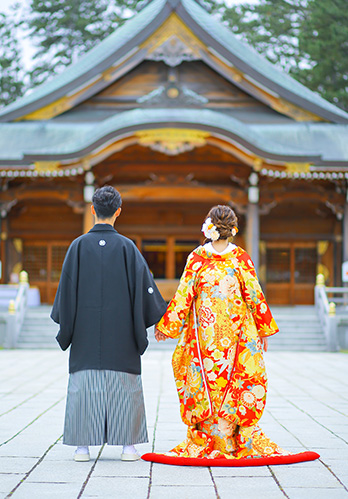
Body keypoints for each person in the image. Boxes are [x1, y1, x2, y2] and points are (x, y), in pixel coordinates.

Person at [152, 205, 317, 464]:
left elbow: (184, 294)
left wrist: (167, 325)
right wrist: (263, 328)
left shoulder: (197, 258)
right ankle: (233, 438)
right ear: (233, 228)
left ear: (209, 226)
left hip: (205, 337)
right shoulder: (241, 258)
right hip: (236, 333)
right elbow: (254, 295)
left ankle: (208, 437)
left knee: (206, 381)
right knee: (236, 381)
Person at [51, 186, 167, 462]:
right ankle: (128, 445)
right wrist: (155, 321)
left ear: (93, 210)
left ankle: (82, 446)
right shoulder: (128, 248)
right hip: (122, 335)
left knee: (84, 385)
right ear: (118, 211)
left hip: (85, 335)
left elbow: (66, 293)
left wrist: (65, 328)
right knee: (125, 386)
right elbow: (145, 291)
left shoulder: (77, 246)